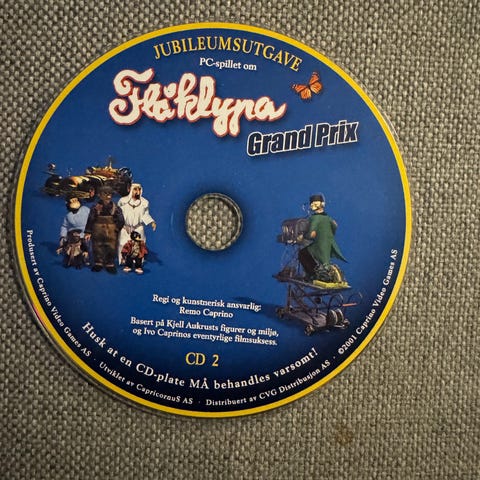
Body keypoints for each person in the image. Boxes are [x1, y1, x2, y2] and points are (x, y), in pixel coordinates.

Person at [298, 193, 346, 283]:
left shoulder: (314, 218)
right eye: (311, 204)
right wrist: (328, 235)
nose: (312, 205)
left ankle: (313, 275)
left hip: (319, 245)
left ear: (322, 204)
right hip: (328, 244)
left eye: (314, 203)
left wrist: (302, 237)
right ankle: (325, 271)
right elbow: (335, 225)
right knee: (323, 260)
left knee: (302, 253)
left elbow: (311, 235)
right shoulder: (328, 218)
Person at [84, 186, 125, 274]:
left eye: (110, 194)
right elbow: (91, 219)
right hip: (97, 231)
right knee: (97, 246)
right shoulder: (95, 208)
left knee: (111, 247)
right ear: (100, 195)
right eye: (105, 194)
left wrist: (117, 229)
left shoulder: (116, 208)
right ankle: (98, 263)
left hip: (111, 232)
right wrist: (88, 232)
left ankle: (110, 264)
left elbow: (121, 220)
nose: (108, 196)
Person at [117, 183, 156, 263]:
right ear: (131, 190)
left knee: (139, 245)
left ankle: (137, 261)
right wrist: (121, 224)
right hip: (125, 227)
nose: (137, 191)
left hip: (138, 228)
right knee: (123, 243)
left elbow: (145, 215)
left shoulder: (144, 202)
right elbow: (118, 214)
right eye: (135, 189)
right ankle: (123, 259)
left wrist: (151, 222)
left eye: (139, 189)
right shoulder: (123, 201)